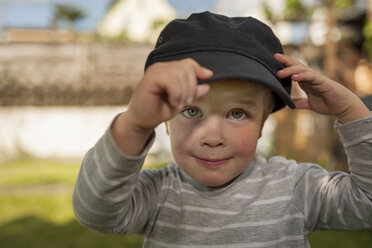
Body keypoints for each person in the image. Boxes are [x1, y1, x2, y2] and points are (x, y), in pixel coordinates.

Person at [72, 12, 372, 247]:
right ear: (164, 120)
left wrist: (352, 111)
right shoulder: (158, 193)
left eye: (237, 113)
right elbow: (95, 213)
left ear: (263, 123)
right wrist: (133, 126)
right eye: (192, 111)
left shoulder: (297, 188)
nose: (212, 138)